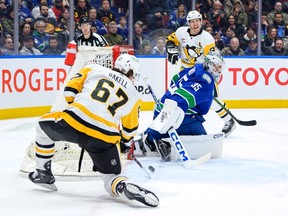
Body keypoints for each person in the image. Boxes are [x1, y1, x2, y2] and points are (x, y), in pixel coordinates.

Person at [28, 54, 159, 207]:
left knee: (42, 127)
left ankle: (43, 173)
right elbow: (130, 131)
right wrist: (123, 143)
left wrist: (80, 107)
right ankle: (123, 186)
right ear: (133, 74)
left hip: (74, 122)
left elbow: (69, 93)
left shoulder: (93, 68)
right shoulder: (135, 95)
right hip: (104, 137)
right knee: (111, 178)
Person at [142, 51, 224, 160]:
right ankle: (159, 141)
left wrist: (168, 103)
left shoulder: (197, 68)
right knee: (201, 141)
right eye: (217, 67)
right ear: (209, 65)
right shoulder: (206, 83)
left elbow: (175, 78)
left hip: (163, 107)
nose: (219, 71)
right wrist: (171, 114)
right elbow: (182, 99)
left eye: (220, 67)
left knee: (187, 125)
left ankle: (151, 136)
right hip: (175, 114)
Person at [166, 10, 236, 137]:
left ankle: (229, 120)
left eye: (197, 21)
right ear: (188, 23)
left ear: (201, 22)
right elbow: (170, 40)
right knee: (180, 96)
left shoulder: (207, 39)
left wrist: (212, 75)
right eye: (192, 21)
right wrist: (171, 49)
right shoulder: (181, 32)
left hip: (202, 71)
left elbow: (211, 58)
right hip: (185, 70)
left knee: (212, 98)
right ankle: (182, 123)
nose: (195, 24)